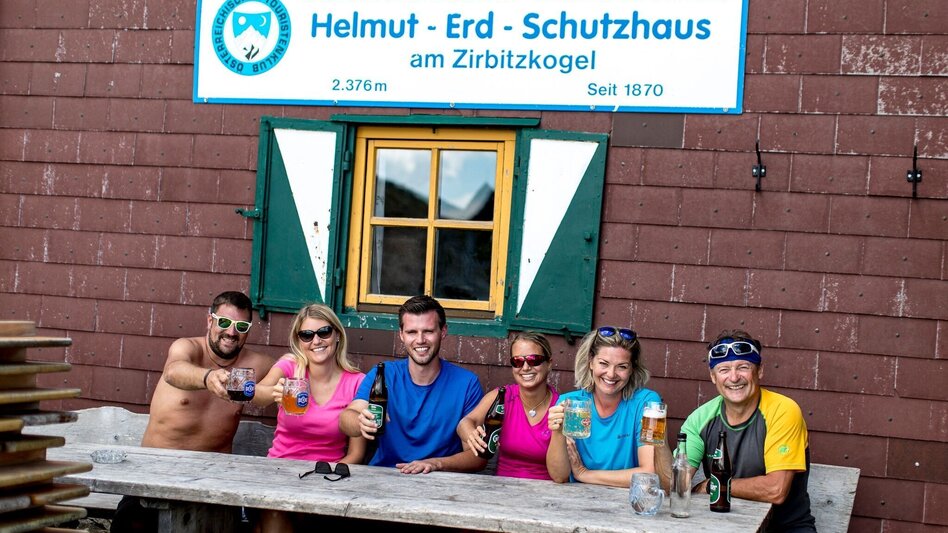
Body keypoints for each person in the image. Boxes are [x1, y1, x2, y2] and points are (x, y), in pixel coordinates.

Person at [112, 291, 274, 533]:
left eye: (241, 326)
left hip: (213, 481)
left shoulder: (258, 365)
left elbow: (290, 380)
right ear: (210, 321)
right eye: (224, 323)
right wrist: (208, 378)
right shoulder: (187, 348)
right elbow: (173, 371)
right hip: (156, 471)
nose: (231, 332)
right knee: (131, 524)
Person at [679, 330, 816, 532]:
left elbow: (776, 490)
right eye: (724, 369)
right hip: (722, 527)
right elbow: (679, 481)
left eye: (743, 367)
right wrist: (653, 443)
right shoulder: (700, 418)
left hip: (783, 528)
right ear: (713, 377)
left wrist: (712, 485)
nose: (734, 377)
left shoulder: (783, 410)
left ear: (759, 371)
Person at [339, 295, 485, 474]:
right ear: (401, 334)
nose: (420, 339)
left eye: (428, 331)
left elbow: (477, 457)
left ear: (443, 331)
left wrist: (436, 464)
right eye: (412, 332)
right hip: (384, 477)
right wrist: (360, 422)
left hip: (439, 483)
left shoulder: (466, 383)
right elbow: (346, 419)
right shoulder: (384, 374)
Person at [252, 303, 366, 532]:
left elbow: (356, 453)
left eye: (324, 332)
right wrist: (273, 392)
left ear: (337, 336)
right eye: (307, 335)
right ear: (299, 341)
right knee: (275, 514)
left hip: (329, 477)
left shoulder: (357, 382)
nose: (316, 341)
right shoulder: (290, 367)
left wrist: (326, 479)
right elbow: (258, 395)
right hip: (279, 472)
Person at [546, 326, 660, 487]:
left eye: (622, 366)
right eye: (604, 363)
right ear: (590, 362)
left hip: (627, 502)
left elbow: (649, 474)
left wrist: (584, 474)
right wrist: (557, 433)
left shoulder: (647, 403)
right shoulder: (571, 403)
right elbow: (559, 476)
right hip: (575, 502)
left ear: (632, 369)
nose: (611, 374)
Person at [457, 331, 559, 480]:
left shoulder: (560, 406)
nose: (525, 367)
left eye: (533, 360)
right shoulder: (503, 396)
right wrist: (471, 435)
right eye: (517, 361)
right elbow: (465, 423)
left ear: (549, 364)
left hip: (546, 494)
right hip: (502, 489)